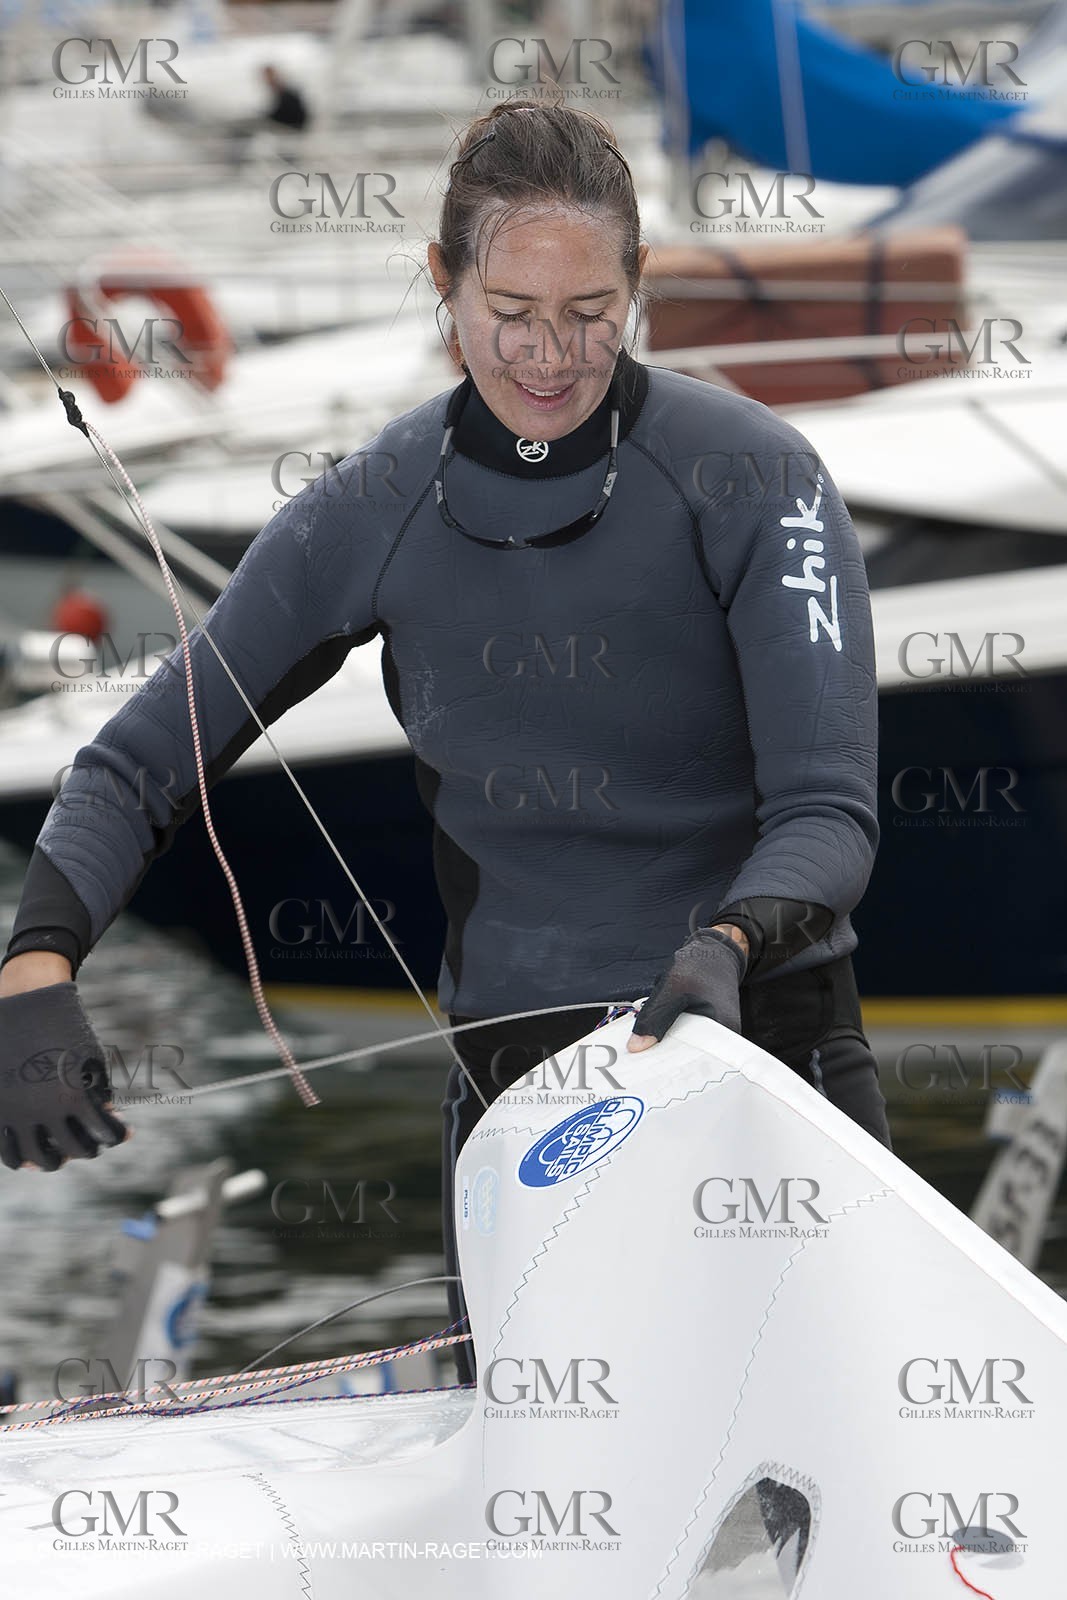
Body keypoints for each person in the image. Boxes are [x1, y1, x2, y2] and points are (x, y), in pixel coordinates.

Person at [0, 101, 888, 1383]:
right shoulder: (374, 504)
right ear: (442, 282)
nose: (548, 354)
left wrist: (726, 944)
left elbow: (828, 813)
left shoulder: (752, 476)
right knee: (556, 1539)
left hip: (768, 1061)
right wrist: (36, 966)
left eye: (588, 311)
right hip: (520, 1107)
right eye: (510, 311)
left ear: (637, 286)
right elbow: (137, 762)